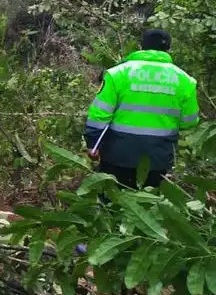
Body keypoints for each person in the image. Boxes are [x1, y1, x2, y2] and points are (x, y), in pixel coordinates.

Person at [84, 29, 200, 189]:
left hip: (117, 154)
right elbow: (189, 121)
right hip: (158, 156)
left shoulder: (117, 73)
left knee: (112, 203)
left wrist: (94, 144)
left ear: (141, 46)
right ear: (168, 50)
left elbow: (99, 114)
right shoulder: (185, 80)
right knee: (148, 205)